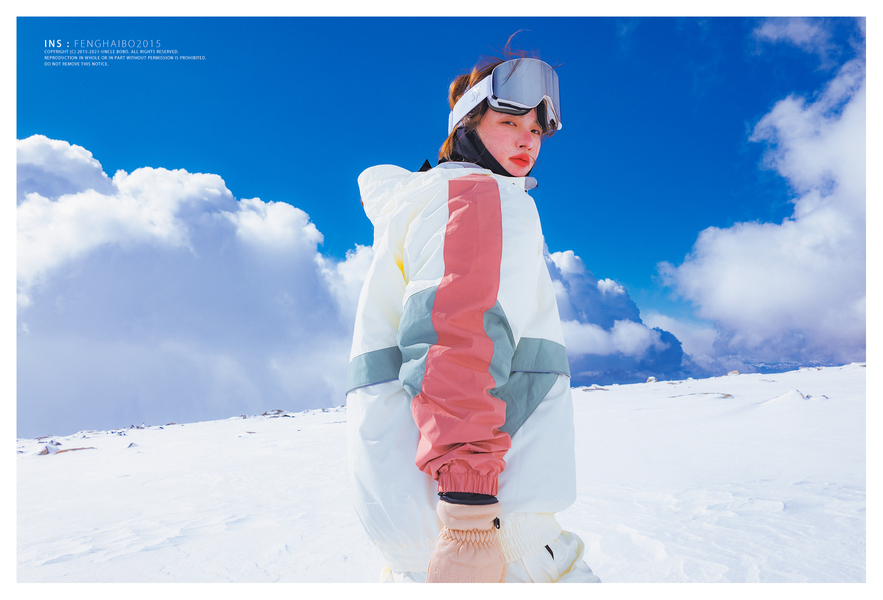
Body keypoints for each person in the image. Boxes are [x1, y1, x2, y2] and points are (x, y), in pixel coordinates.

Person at [345, 48, 601, 584]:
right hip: (497, 530)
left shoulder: (427, 202)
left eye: (536, 128)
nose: (528, 139)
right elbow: (457, 343)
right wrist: (468, 520)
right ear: (467, 125)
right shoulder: (479, 198)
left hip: (419, 517)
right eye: (509, 122)